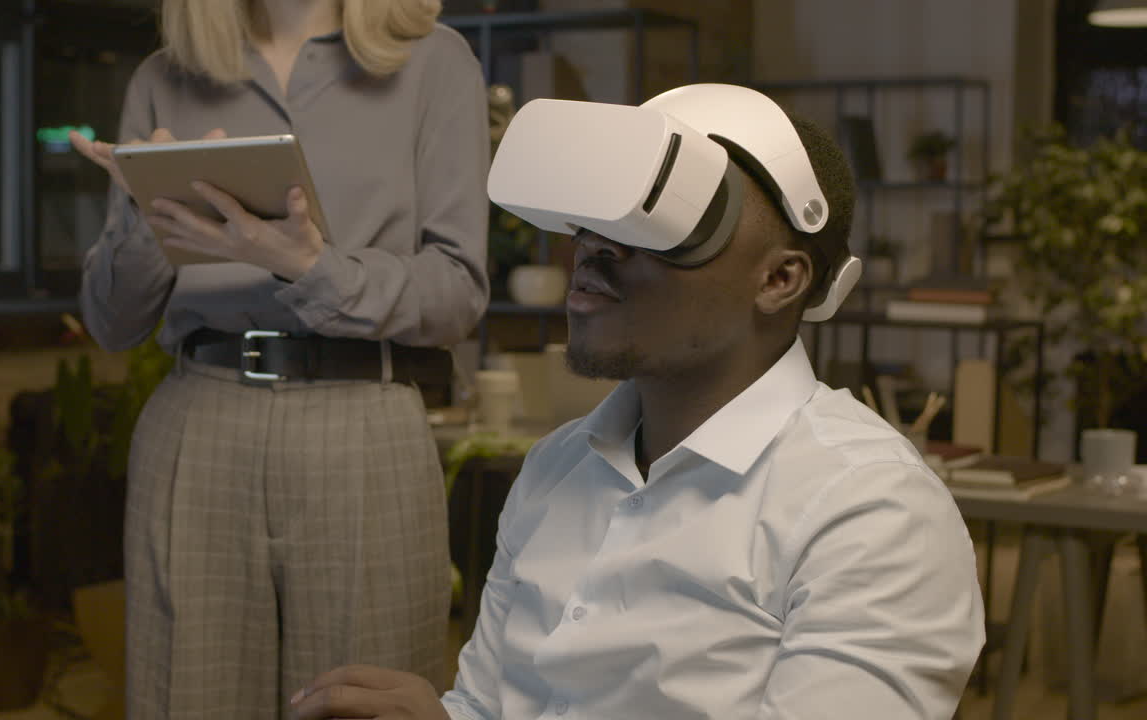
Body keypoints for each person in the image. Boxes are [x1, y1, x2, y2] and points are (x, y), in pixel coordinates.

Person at [287, 85, 985, 720]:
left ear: (780, 279)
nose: (592, 248)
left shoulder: (871, 512)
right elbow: (491, 704)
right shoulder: (556, 468)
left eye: (660, 221)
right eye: (594, 217)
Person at [70, 0, 489, 717]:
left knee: (362, 705)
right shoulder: (162, 78)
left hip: (365, 423)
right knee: (187, 700)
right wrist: (146, 223)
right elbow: (111, 324)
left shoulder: (435, 61)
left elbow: (457, 293)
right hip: (198, 426)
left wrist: (311, 266)